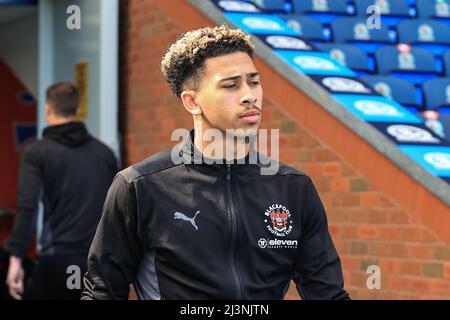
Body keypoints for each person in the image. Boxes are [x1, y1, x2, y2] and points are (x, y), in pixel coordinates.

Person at [82, 25, 349, 300]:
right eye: (231, 85)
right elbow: (103, 292)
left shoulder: (294, 188)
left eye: (254, 82)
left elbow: (327, 294)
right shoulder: (138, 186)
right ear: (191, 102)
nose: (250, 95)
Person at [4, 82, 117, 300]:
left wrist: (16, 258)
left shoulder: (37, 153)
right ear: (77, 110)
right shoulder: (104, 154)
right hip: (99, 263)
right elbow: (118, 208)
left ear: (47, 109)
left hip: (57, 260)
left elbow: (28, 206)